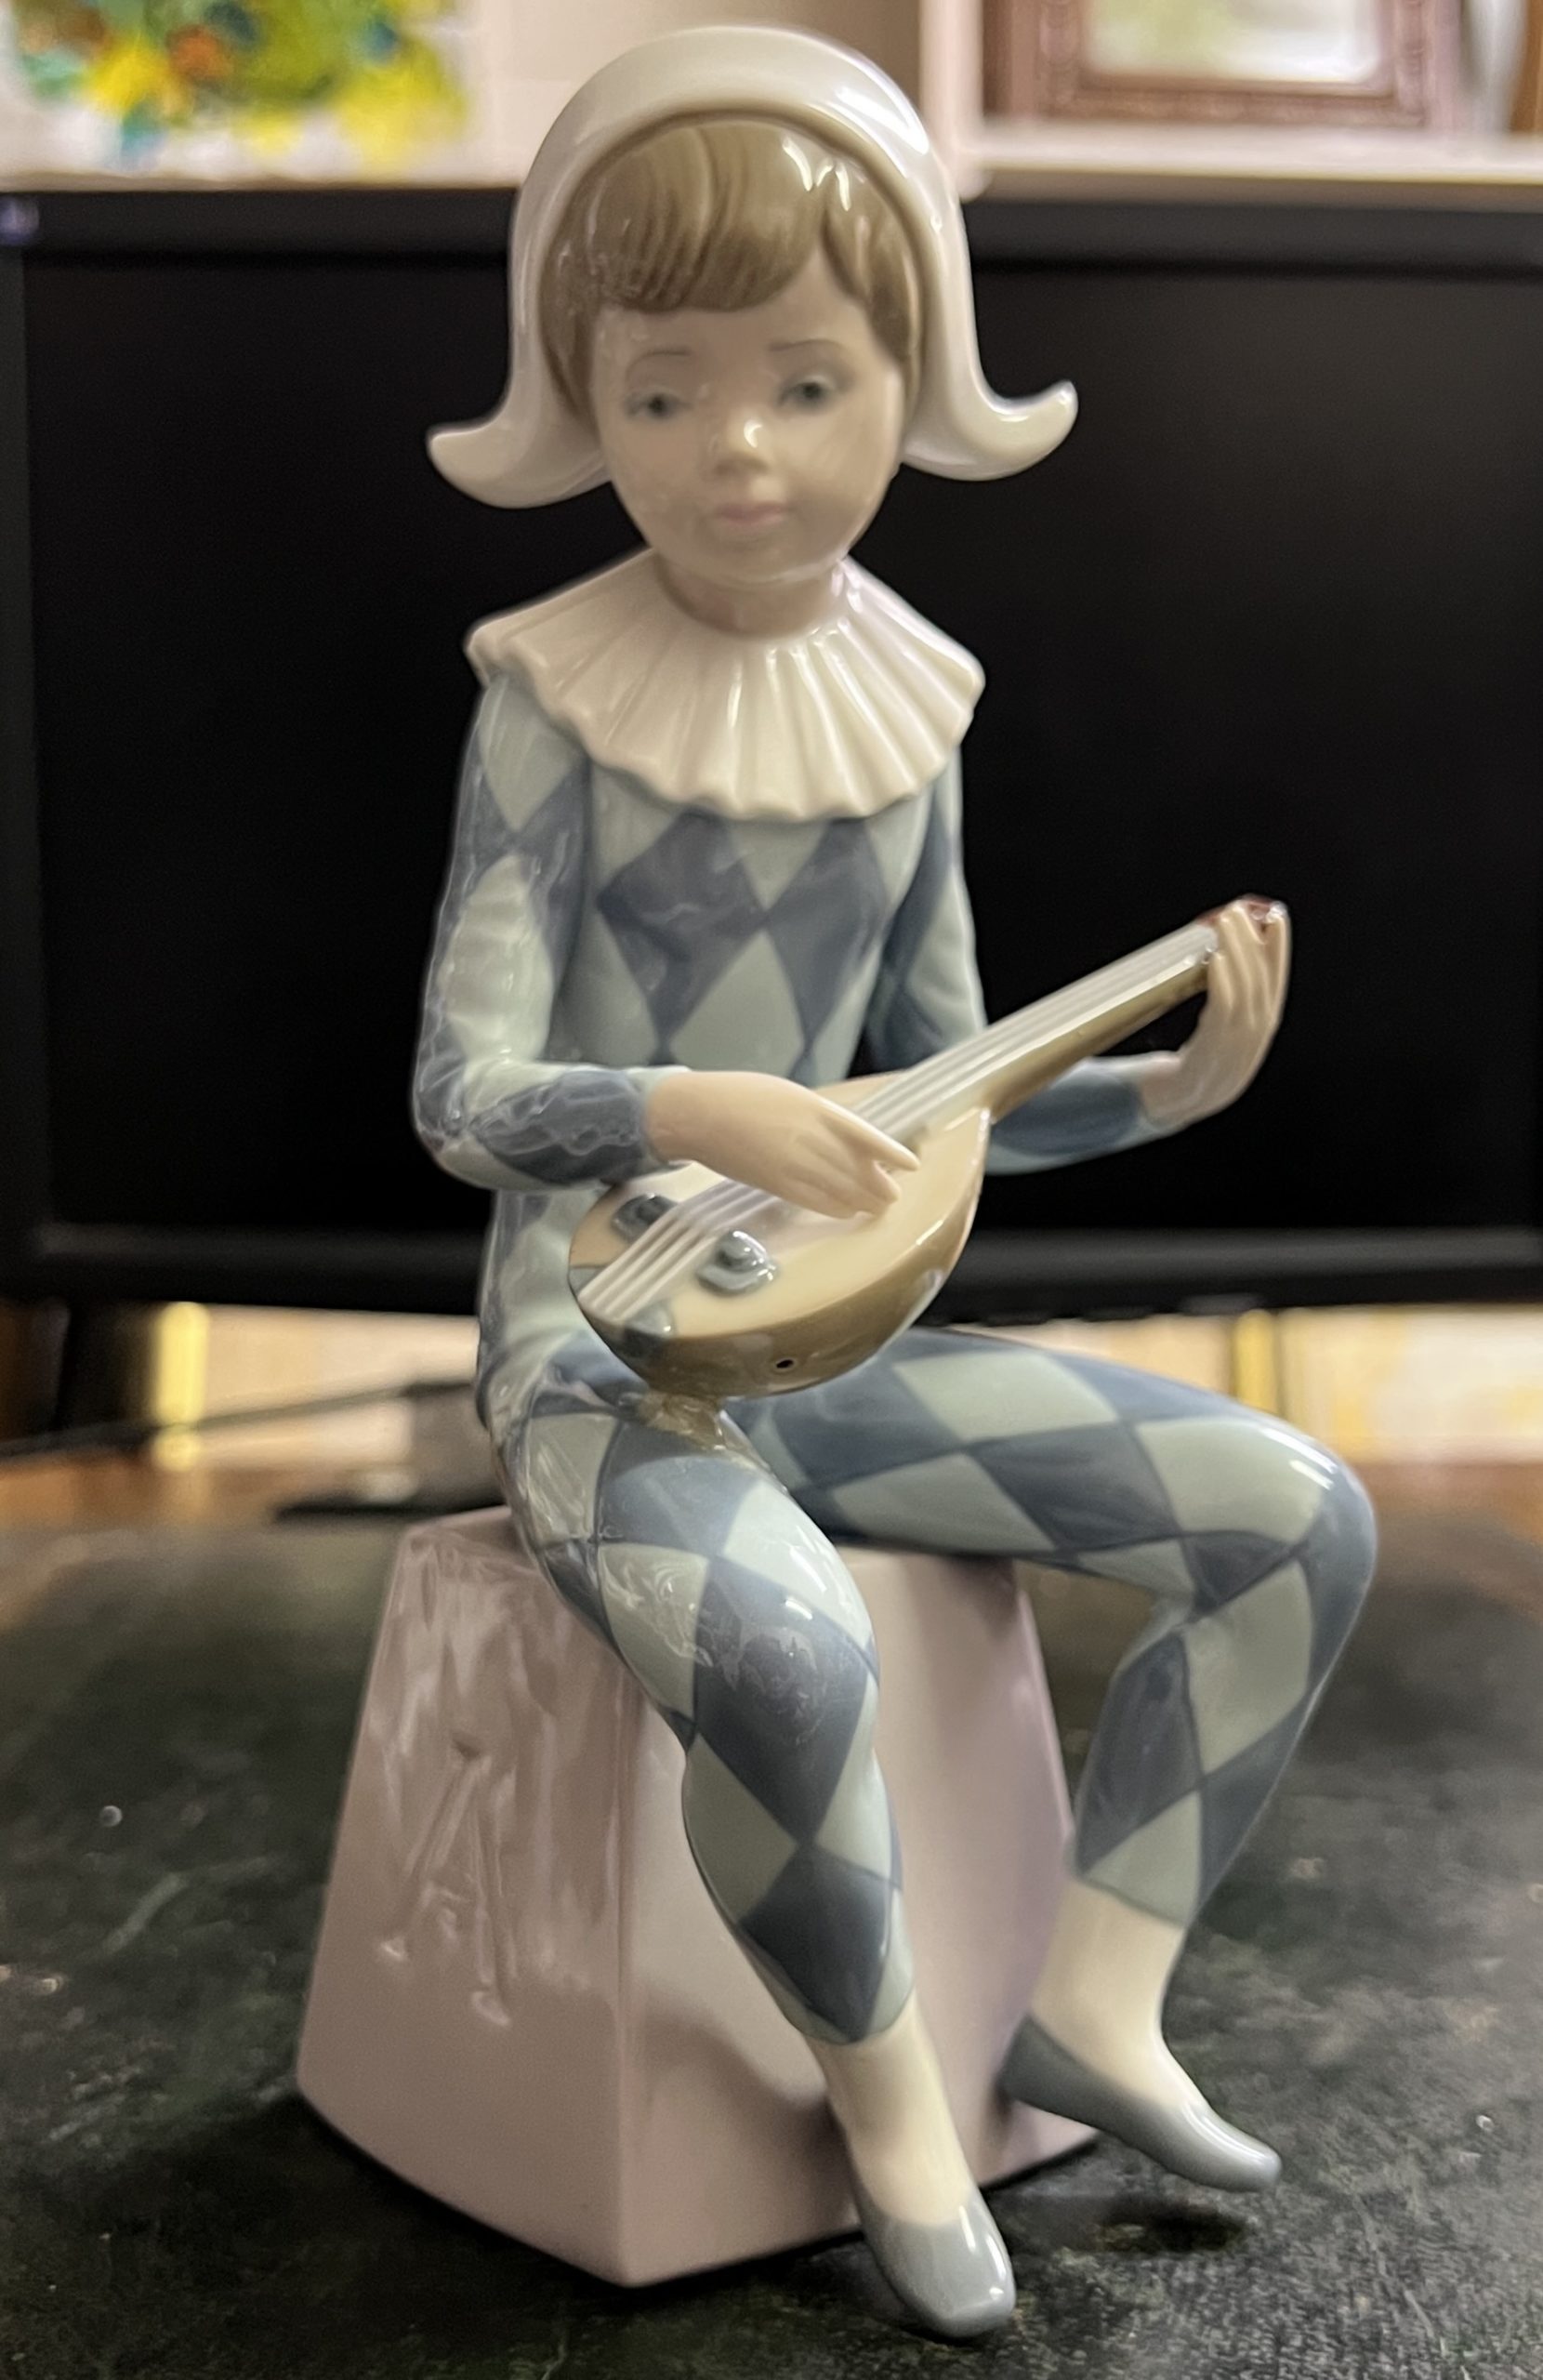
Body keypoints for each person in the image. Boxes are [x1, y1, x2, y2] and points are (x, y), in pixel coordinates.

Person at [414, 25, 1376, 2341]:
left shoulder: (911, 707)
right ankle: (884, 2107)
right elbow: (462, 1093)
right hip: (595, 1345)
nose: (734, 447)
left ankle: (1098, 1997)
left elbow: (940, 1101)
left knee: (1291, 1516)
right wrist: (692, 1106)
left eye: (803, 383)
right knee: (784, 1642)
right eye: (662, 393)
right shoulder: (546, 699)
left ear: (907, 380)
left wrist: (1158, 1093)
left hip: (820, 1341)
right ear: (584, 400)